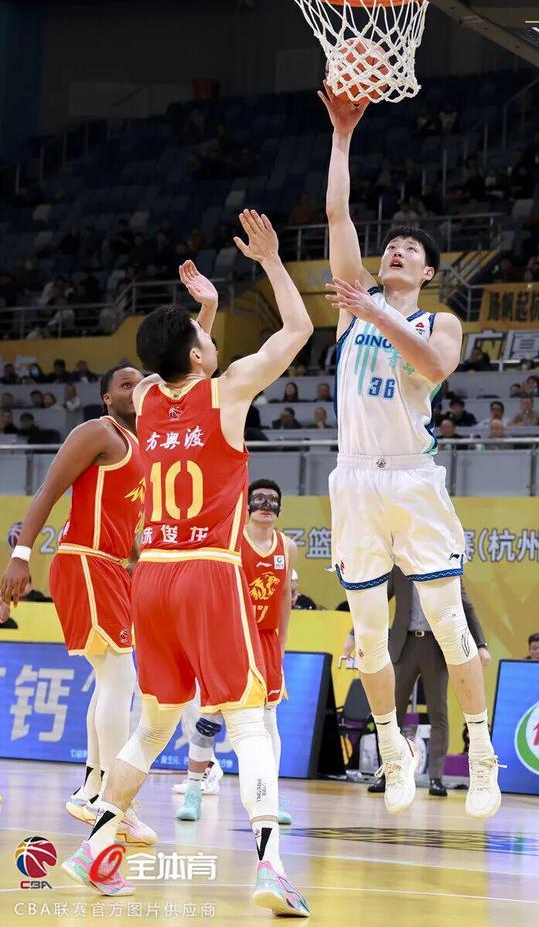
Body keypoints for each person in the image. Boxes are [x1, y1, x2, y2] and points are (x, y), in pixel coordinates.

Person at [62, 214, 312, 916]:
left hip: (152, 576)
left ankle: (96, 845)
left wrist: (203, 312)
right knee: (250, 723)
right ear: (199, 357)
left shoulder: (144, 398)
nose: (213, 343)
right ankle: (271, 867)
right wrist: (272, 262)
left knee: (154, 724)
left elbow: (173, 363)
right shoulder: (228, 390)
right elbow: (297, 330)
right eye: (206, 339)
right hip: (207, 571)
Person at [319, 84, 501, 820]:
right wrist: (341, 137)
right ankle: (393, 749)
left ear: (426, 274)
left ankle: (480, 753)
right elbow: (337, 215)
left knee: (450, 622)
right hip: (354, 480)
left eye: (413, 250)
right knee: (368, 635)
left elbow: (433, 366)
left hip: (414, 479)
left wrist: (376, 310)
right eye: (393, 245)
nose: (398, 250)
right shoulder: (353, 307)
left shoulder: (438, 320)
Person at [0, 363, 154, 846]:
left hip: (112, 566)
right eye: (124, 384)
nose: (135, 390)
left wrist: (142, 560)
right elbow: (49, 491)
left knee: (111, 680)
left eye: (140, 383)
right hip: (85, 561)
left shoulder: (143, 447)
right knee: (119, 678)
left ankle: (92, 787)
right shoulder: (97, 432)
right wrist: (20, 555)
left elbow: (125, 526)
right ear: (107, 398)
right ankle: (115, 801)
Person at [175, 478, 297, 828]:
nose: (265, 505)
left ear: (280, 508)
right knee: (209, 719)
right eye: (259, 499)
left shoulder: (287, 546)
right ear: (246, 506)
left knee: (269, 721)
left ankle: (271, 795)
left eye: (272, 499)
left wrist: (281, 644)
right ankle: (194, 790)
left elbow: (284, 597)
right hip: (228, 639)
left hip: (265, 640)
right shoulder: (230, 540)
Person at [345, 567, 490, 798]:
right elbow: (377, 601)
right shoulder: (398, 569)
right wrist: (355, 634)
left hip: (436, 647)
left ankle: (436, 777)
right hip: (404, 645)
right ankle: (389, 773)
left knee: (438, 713)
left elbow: (466, 607)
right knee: (391, 713)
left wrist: (481, 645)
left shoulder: (444, 567)